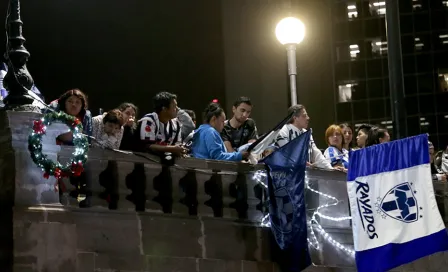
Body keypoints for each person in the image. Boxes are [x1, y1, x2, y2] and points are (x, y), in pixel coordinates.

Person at [275, 104, 333, 170]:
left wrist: (331, 169)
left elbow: (316, 153)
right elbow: (287, 152)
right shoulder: (284, 131)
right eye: (304, 116)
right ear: (295, 118)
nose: (308, 118)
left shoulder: (306, 133)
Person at [137, 92, 186, 156]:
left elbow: (177, 144)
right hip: (144, 161)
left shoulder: (176, 124)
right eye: (174, 106)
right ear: (164, 109)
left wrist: (180, 150)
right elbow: (147, 146)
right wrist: (172, 149)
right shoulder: (149, 121)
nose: (177, 109)